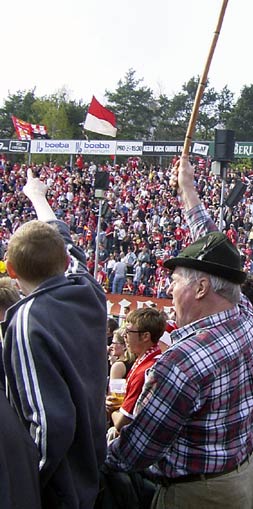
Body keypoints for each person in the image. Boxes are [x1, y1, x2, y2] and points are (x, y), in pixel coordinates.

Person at [105, 155, 253, 509]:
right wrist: (188, 189)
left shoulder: (179, 362)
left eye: (175, 280)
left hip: (199, 495)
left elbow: (133, 453)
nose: (169, 288)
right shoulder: (245, 314)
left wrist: (98, 449)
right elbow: (212, 243)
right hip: (248, 478)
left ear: (203, 287)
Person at [1, 169, 108, 509]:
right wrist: (38, 197)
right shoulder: (88, 291)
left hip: (55, 489)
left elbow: (49, 423)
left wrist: (28, 480)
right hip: (91, 470)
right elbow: (68, 243)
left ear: (12, 271)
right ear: (63, 260)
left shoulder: (25, 321)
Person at [107, 308, 165, 433]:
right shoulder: (151, 360)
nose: (124, 336)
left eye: (128, 331)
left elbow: (122, 423)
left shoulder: (145, 370)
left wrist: (113, 409)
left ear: (145, 336)